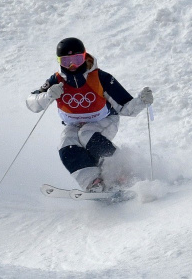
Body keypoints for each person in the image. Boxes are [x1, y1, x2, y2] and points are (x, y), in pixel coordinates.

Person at [26, 37, 153, 192]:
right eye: (66, 62)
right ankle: (94, 183)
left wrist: (141, 101)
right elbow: (32, 103)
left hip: (105, 119)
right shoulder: (56, 80)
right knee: (66, 143)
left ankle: (123, 171)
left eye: (77, 59)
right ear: (59, 61)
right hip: (73, 124)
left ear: (85, 57)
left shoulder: (101, 78)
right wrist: (48, 95)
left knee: (86, 133)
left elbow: (126, 108)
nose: (72, 66)